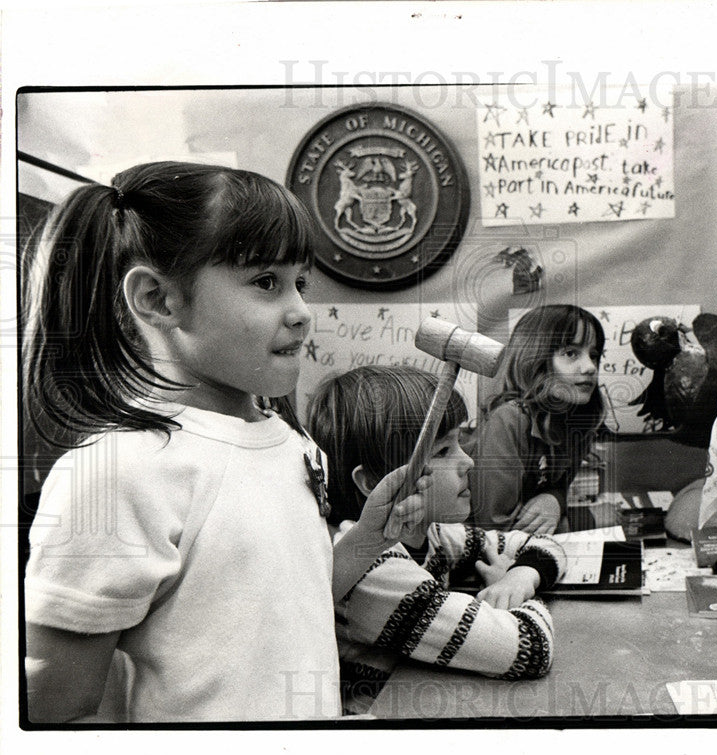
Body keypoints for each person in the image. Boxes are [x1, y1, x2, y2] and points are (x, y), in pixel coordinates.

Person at [21, 161, 428, 723]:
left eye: (300, 283)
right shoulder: (115, 471)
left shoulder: (291, 443)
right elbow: (55, 699)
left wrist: (363, 542)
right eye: (266, 282)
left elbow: (277, 608)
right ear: (159, 299)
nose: (302, 313)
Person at [306, 366, 565, 713]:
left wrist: (521, 576)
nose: (468, 461)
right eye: (442, 451)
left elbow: (540, 544)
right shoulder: (374, 571)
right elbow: (530, 648)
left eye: (459, 443)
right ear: (372, 481)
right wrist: (511, 591)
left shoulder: (432, 533)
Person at [466, 304, 607, 536]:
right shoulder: (509, 420)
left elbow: (558, 485)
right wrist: (560, 522)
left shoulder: (578, 419)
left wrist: (555, 500)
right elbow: (493, 528)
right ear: (535, 359)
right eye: (571, 353)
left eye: (594, 355)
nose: (590, 367)